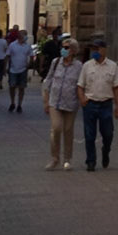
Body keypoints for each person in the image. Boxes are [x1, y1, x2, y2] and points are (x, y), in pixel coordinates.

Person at [77, 37, 118, 171]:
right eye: (92, 49)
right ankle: (91, 161)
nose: (94, 52)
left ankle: (105, 151)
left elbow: (117, 87)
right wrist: (82, 98)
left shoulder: (112, 66)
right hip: (90, 104)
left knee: (108, 133)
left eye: (96, 49)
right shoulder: (87, 66)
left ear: (103, 50)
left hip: (106, 104)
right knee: (89, 134)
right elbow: (80, 85)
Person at [42, 39, 82, 169]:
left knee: (68, 130)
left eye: (66, 47)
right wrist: (46, 100)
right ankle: (55, 157)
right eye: (63, 47)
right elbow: (48, 80)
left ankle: (67, 159)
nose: (63, 49)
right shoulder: (56, 62)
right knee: (56, 127)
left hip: (71, 103)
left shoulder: (78, 66)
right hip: (55, 101)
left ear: (73, 51)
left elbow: (81, 84)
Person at [6, 26, 34, 112]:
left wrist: (29, 64)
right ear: (20, 36)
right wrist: (6, 67)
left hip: (23, 70)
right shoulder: (12, 45)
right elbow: (8, 56)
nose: (26, 37)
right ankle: (12, 102)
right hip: (13, 69)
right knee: (12, 86)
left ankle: (19, 104)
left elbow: (31, 55)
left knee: (22, 87)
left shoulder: (27, 46)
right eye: (24, 35)